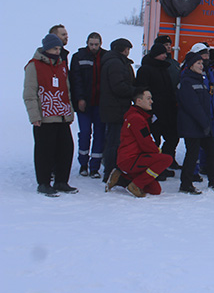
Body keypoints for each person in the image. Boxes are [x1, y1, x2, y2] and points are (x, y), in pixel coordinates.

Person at [23, 33, 78, 196]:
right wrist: (34, 116)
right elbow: (29, 93)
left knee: (66, 149)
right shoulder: (34, 65)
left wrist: (69, 112)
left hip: (62, 115)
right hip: (44, 116)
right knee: (44, 151)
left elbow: (66, 90)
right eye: (55, 48)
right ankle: (44, 183)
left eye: (59, 48)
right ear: (47, 48)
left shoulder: (61, 65)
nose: (57, 51)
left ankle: (61, 181)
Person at [177, 51, 214, 194]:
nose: (201, 65)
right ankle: (186, 184)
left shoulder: (200, 80)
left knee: (213, 151)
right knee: (192, 155)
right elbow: (193, 106)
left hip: (204, 125)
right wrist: (205, 123)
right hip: (192, 125)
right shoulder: (186, 82)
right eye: (198, 63)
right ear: (190, 65)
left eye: (201, 63)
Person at [110, 88, 174, 197]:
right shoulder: (136, 118)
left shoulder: (139, 116)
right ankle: (135, 185)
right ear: (139, 101)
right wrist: (156, 151)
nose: (151, 101)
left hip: (135, 158)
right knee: (166, 159)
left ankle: (121, 179)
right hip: (130, 159)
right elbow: (145, 143)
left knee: (155, 190)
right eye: (148, 98)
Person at [136, 43, 179, 171]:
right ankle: (154, 167)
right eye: (162, 54)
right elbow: (141, 90)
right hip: (153, 112)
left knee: (173, 137)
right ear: (155, 54)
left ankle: (166, 161)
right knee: (154, 141)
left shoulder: (164, 68)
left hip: (168, 111)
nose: (165, 56)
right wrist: (148, 111)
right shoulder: (145, 70)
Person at [69, 32, 107, 178]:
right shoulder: (78, 57)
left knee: (100, 135)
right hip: (84, 104)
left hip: (100, 104)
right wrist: (79, 99)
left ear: (100, 43)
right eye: (91, 44)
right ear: (87, 43)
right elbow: (75, 80)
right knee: (85, 133)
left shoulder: (105, 57)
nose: (93, 47)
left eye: (96, 44)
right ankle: (83, 164)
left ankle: (95, 167)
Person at [100, 38, 135, 183]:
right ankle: (110, 172)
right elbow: (119, 86)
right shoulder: (116, 63)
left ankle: (112, 170)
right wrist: (135, 91)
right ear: (124, 49)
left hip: (114, 107)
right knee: (114, 142)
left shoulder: (113, 61)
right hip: (116, 108)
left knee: (113, 141)